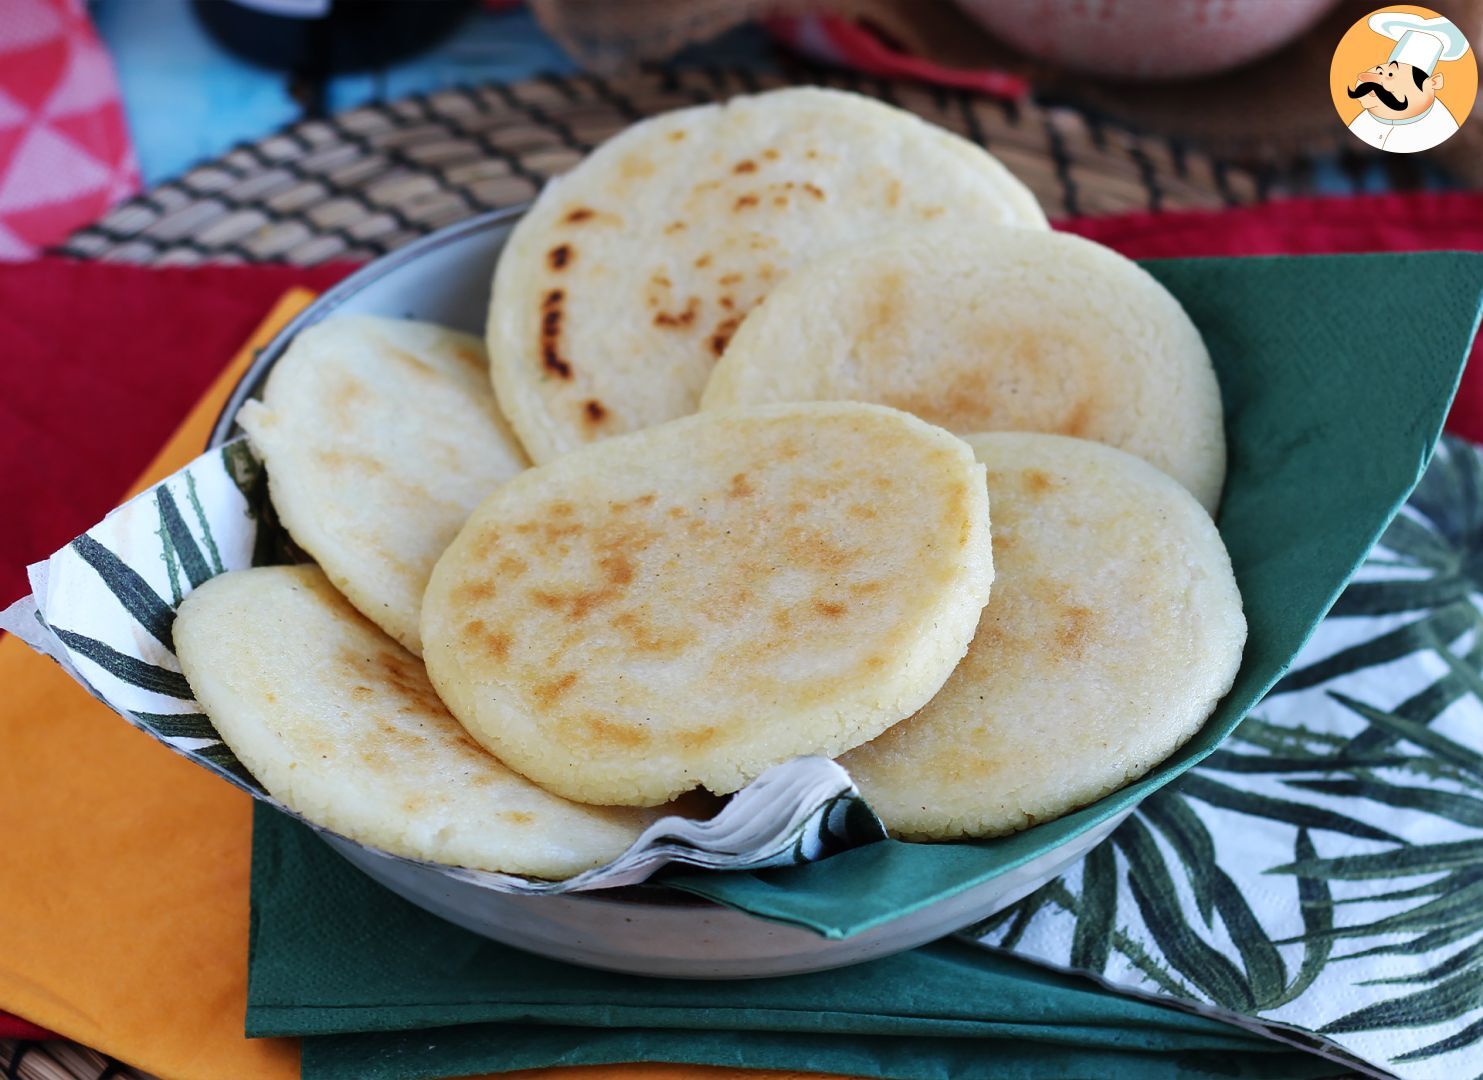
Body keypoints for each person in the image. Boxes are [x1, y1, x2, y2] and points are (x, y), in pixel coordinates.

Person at [1347, 11, 1471, 153]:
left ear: (1433, 83)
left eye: (1390, 76)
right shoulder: (1362, 116)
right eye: (1380, 72)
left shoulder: (1443, 124)